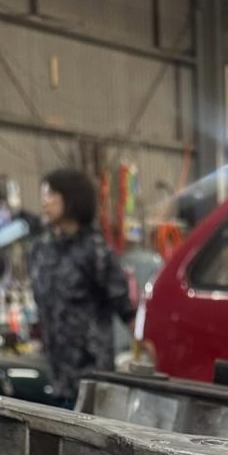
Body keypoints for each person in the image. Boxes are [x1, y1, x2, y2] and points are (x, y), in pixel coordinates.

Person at [28, 168, 136, 407]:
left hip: (91, 377)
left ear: (71, 198)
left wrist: (142, 343)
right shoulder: (41, 250)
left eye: (51, 195)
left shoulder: (94, 251)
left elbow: (124, 305)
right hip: (56, 373)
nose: (45, 202)